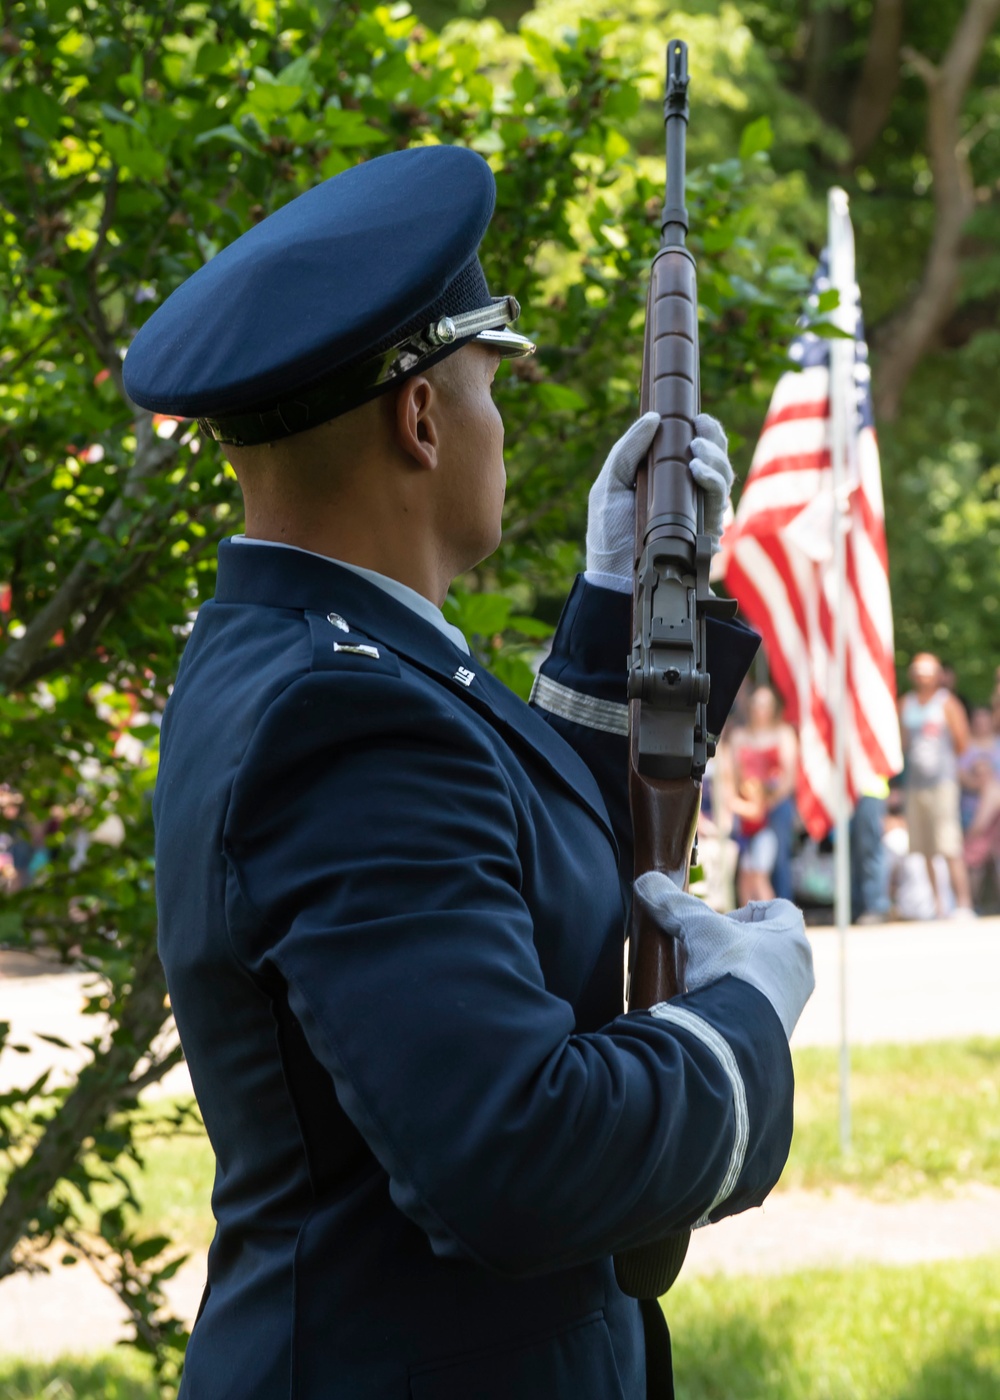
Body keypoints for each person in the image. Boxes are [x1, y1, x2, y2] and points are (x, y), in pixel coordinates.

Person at [124, 146, 814, 1400]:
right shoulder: (343, 714)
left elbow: (493, 860)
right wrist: (742, 1024)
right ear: (422, 417)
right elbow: (517, 1153)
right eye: (489, 381)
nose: (500, 419)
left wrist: (618, 605)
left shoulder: (307, 656)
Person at [899, 652, 974, 918]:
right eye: (918, 670)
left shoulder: (947, 704)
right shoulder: (905, 704)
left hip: (942, 783)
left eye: (928, 670)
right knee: (925, 847)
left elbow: (962, 742)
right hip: (915, 785)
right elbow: (902, 743)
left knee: (949, 845)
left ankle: (964, 905)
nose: (923, 675)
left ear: (938, 674)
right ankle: (939, 906)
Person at [718, 686, 798, 904]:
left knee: (776, 861)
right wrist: (740, 804)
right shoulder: (740, 736)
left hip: (776, 806)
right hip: (746, 809)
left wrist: (765, 804)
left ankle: (782, 908)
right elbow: (732, 775)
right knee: (746, 867)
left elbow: (788, 777)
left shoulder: (783, 733)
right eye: (757, 704)